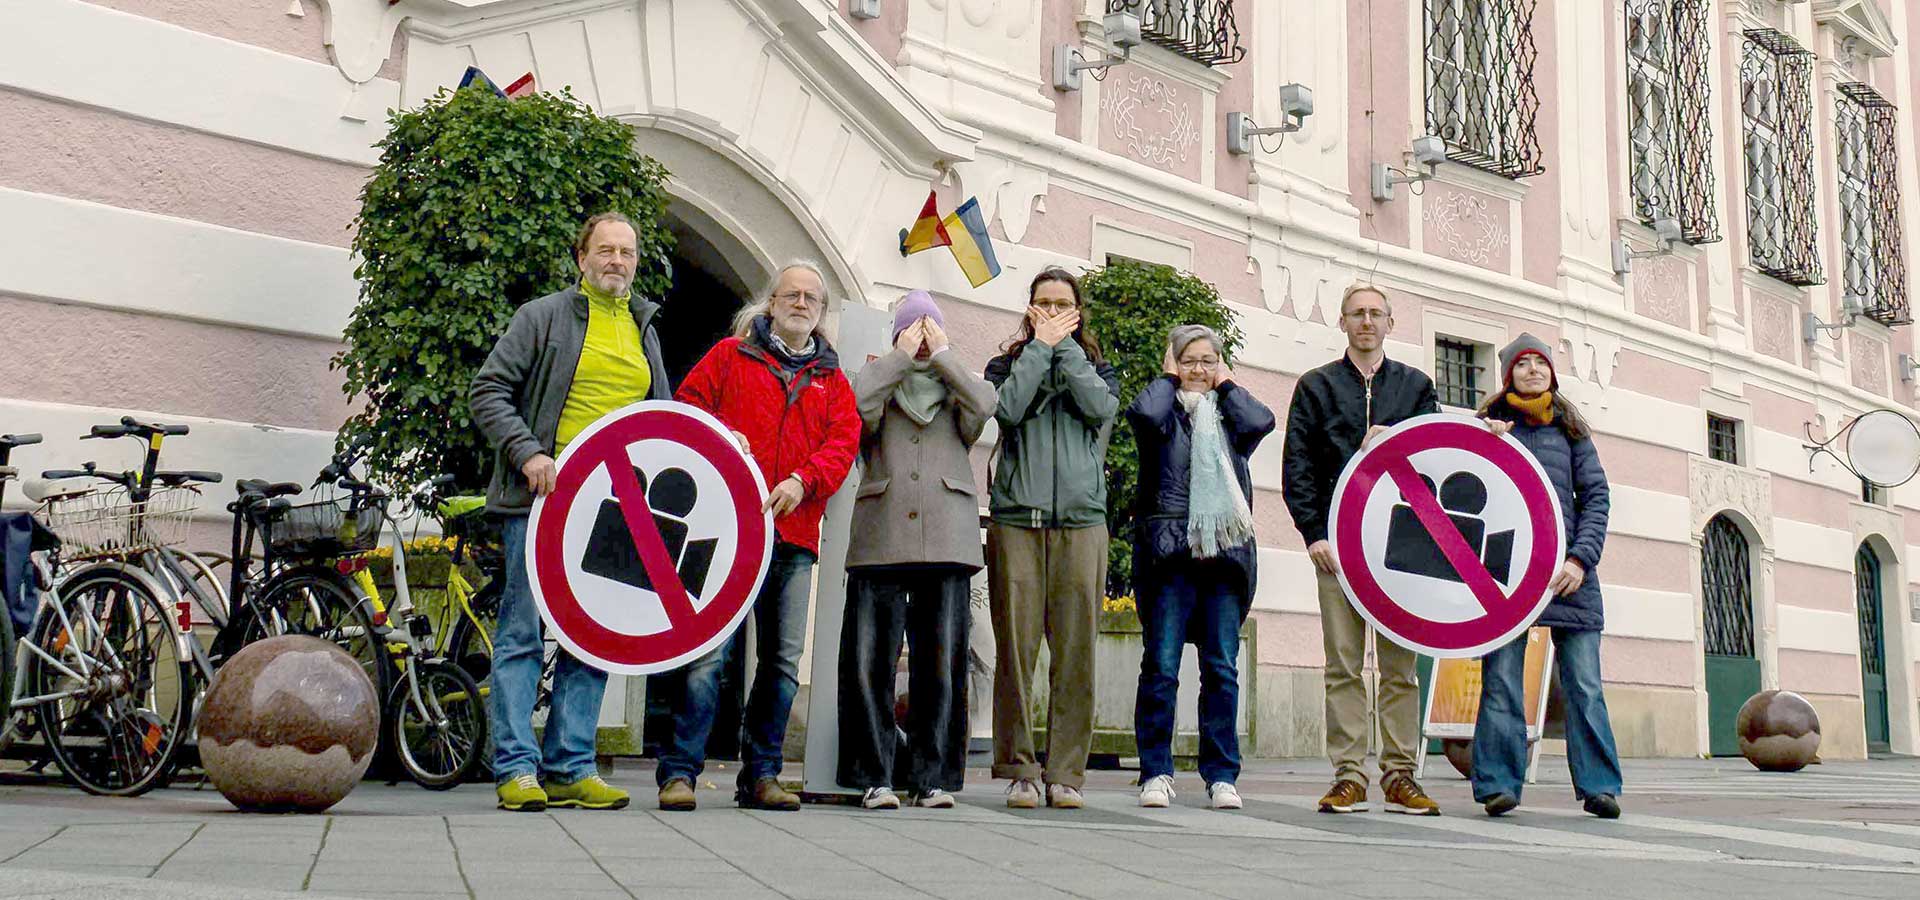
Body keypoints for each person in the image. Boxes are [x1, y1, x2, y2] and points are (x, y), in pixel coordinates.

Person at [470, 211, 671, 812]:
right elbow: (488, 390)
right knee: (523, 633)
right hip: (542, 498)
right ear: (582, 258)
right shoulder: (543, 317)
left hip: (615, 507)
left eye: (627, 253)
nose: (617, 261)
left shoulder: (644, 326)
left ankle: (570, 765)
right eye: (605, 251)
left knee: (595, 635)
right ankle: (516, 767)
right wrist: (528, 452)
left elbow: (662, 418)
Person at [656, 261, 861, 812]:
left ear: (820, 313)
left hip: (792, 538)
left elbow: (842, 445)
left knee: (781, 663)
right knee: (707, 656)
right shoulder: (729, 356)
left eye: (811, 298)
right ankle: (680, 773)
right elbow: (687, 405)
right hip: (725, 533)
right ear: (771, 303)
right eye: (790, 294)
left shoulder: (834, 383)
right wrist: (723, 436)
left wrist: (803, 479)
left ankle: (762, 775)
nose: (800, 303)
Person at [1281, 282, 1444, 816]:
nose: (1367, 322)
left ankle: (1400, 775)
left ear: (1390, 323)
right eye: (1357, 313)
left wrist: (1393, 438)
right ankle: (1348, 775)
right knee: (1343, 666)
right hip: (1337, 549)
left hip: (1400, 551)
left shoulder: (1416, 387)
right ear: (1343, 322)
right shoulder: (1316, 386)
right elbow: (1298, 468)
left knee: (1401, 668)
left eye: (1376, 313)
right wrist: (1314, 534)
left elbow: (1436, 458)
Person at [837, 291, 996, 810]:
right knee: (868, 660)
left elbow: (984, 406)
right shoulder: (877, 378)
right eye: (913, 327)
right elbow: (855, 406)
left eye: (931, 328)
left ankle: (934, 778)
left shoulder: (960, 385)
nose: (923, 336)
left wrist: (945, 354)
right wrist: (900, 357)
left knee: (942, 663)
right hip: (881, 534)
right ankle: (873, 776)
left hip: (948, 535)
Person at [984, 267, 1119, 810]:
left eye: (1063, 304)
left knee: (1077, 653)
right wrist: (1039, 349)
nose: (1053, 311)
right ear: (1029, 308)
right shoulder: (1007, 364)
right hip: (1017, 518)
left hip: (1082, 523)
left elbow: (1100, 409)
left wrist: (1065, 351)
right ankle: (1019, 769)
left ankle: (1066, 773)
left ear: (1078, 311)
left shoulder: (1098, 368)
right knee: (1015, 653)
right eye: (1043, 303)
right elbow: (1007, 409)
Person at [1472, 334, 1623, 819]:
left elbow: (1596, 499)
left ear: (1552, 374)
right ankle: (1498, 785)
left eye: (1541, 363)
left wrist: (1581, 560)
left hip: (1570, 576)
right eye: (1523, 364)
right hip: (1506, 575)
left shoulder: (1572, 430)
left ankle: (1600, 786)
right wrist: (1485, 442)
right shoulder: (1490, 429)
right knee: (1500, 681)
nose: (1533, 370)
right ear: (1508, 375)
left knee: (1584, 683)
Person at [1127, 325, 1275, 811]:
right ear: (1173, 363)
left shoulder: (1230, 419)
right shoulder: (1162, 413)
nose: (1198, 370)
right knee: (1162, 666)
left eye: (1208, 360)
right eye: (1189, 360)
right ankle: (1155, 771)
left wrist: (1227, 386)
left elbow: (1263, 420)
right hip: (1170, 555)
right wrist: (1169, 380)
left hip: (1224, 558)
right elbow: (1142, 412)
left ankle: (1220, 775)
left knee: (1221, 670)